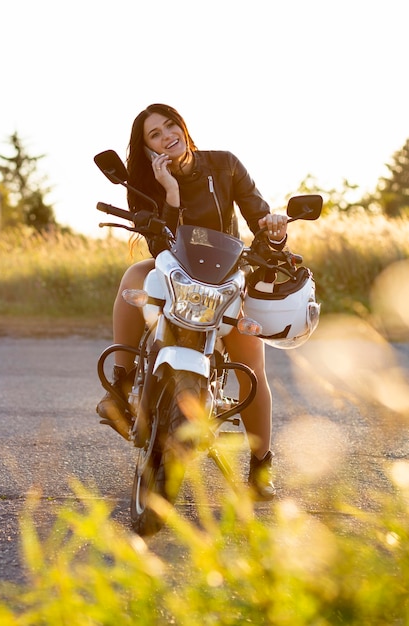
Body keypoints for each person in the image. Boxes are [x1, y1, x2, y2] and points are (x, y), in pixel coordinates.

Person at [97, 103, 288, 500]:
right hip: (176, 272)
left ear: (183, 127)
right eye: (155, 134)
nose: (168, 135)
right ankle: (121, 384)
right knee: (135, 275)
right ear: (147, 147)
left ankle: (260, 467)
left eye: (171, 126)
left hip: (227, 275)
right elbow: (157, 243)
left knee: (251, 365)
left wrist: (275, 229)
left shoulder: (225, 165)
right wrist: (170, 191)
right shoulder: (146, 182)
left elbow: (260, 220)